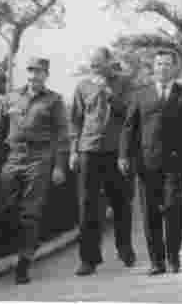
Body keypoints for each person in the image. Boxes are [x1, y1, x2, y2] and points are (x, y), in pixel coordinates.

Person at [0, 56, 69, 285]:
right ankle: (28, 244)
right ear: (27, 73)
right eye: (31, 71)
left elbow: (62, 135)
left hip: (39, 159)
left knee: (30, 212)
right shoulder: (12, 96)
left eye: (39, 71)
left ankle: (23, 262)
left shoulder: (54, 100)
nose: (34, 75)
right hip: (13, 157)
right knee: (5, 207)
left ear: (46, 75)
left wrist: (60, 166)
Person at [119, 49, 182, 276]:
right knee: (150, 212)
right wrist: (124, 156)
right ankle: (157, 261)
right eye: (159, 64)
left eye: (167, 64)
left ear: (174, 68)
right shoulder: (140, 94)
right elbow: (129, 127)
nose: (163, 68)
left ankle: (173, 257)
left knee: (173, 208)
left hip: (175, 162)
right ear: (153, 68)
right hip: (147, 162)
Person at [68, 47, 137, 276]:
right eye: (92, 64)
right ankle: (88, 259)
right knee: (87, 206)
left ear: (110, 62)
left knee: (121, 202)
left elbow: (128, 113)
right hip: (88, 150)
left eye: (98, 63)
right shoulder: (82, 86)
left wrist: (107, 91)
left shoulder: (124, 83)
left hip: (117, 152)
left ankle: (124, 248)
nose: (94, 67)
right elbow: (76, 121)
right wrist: (73, 151)